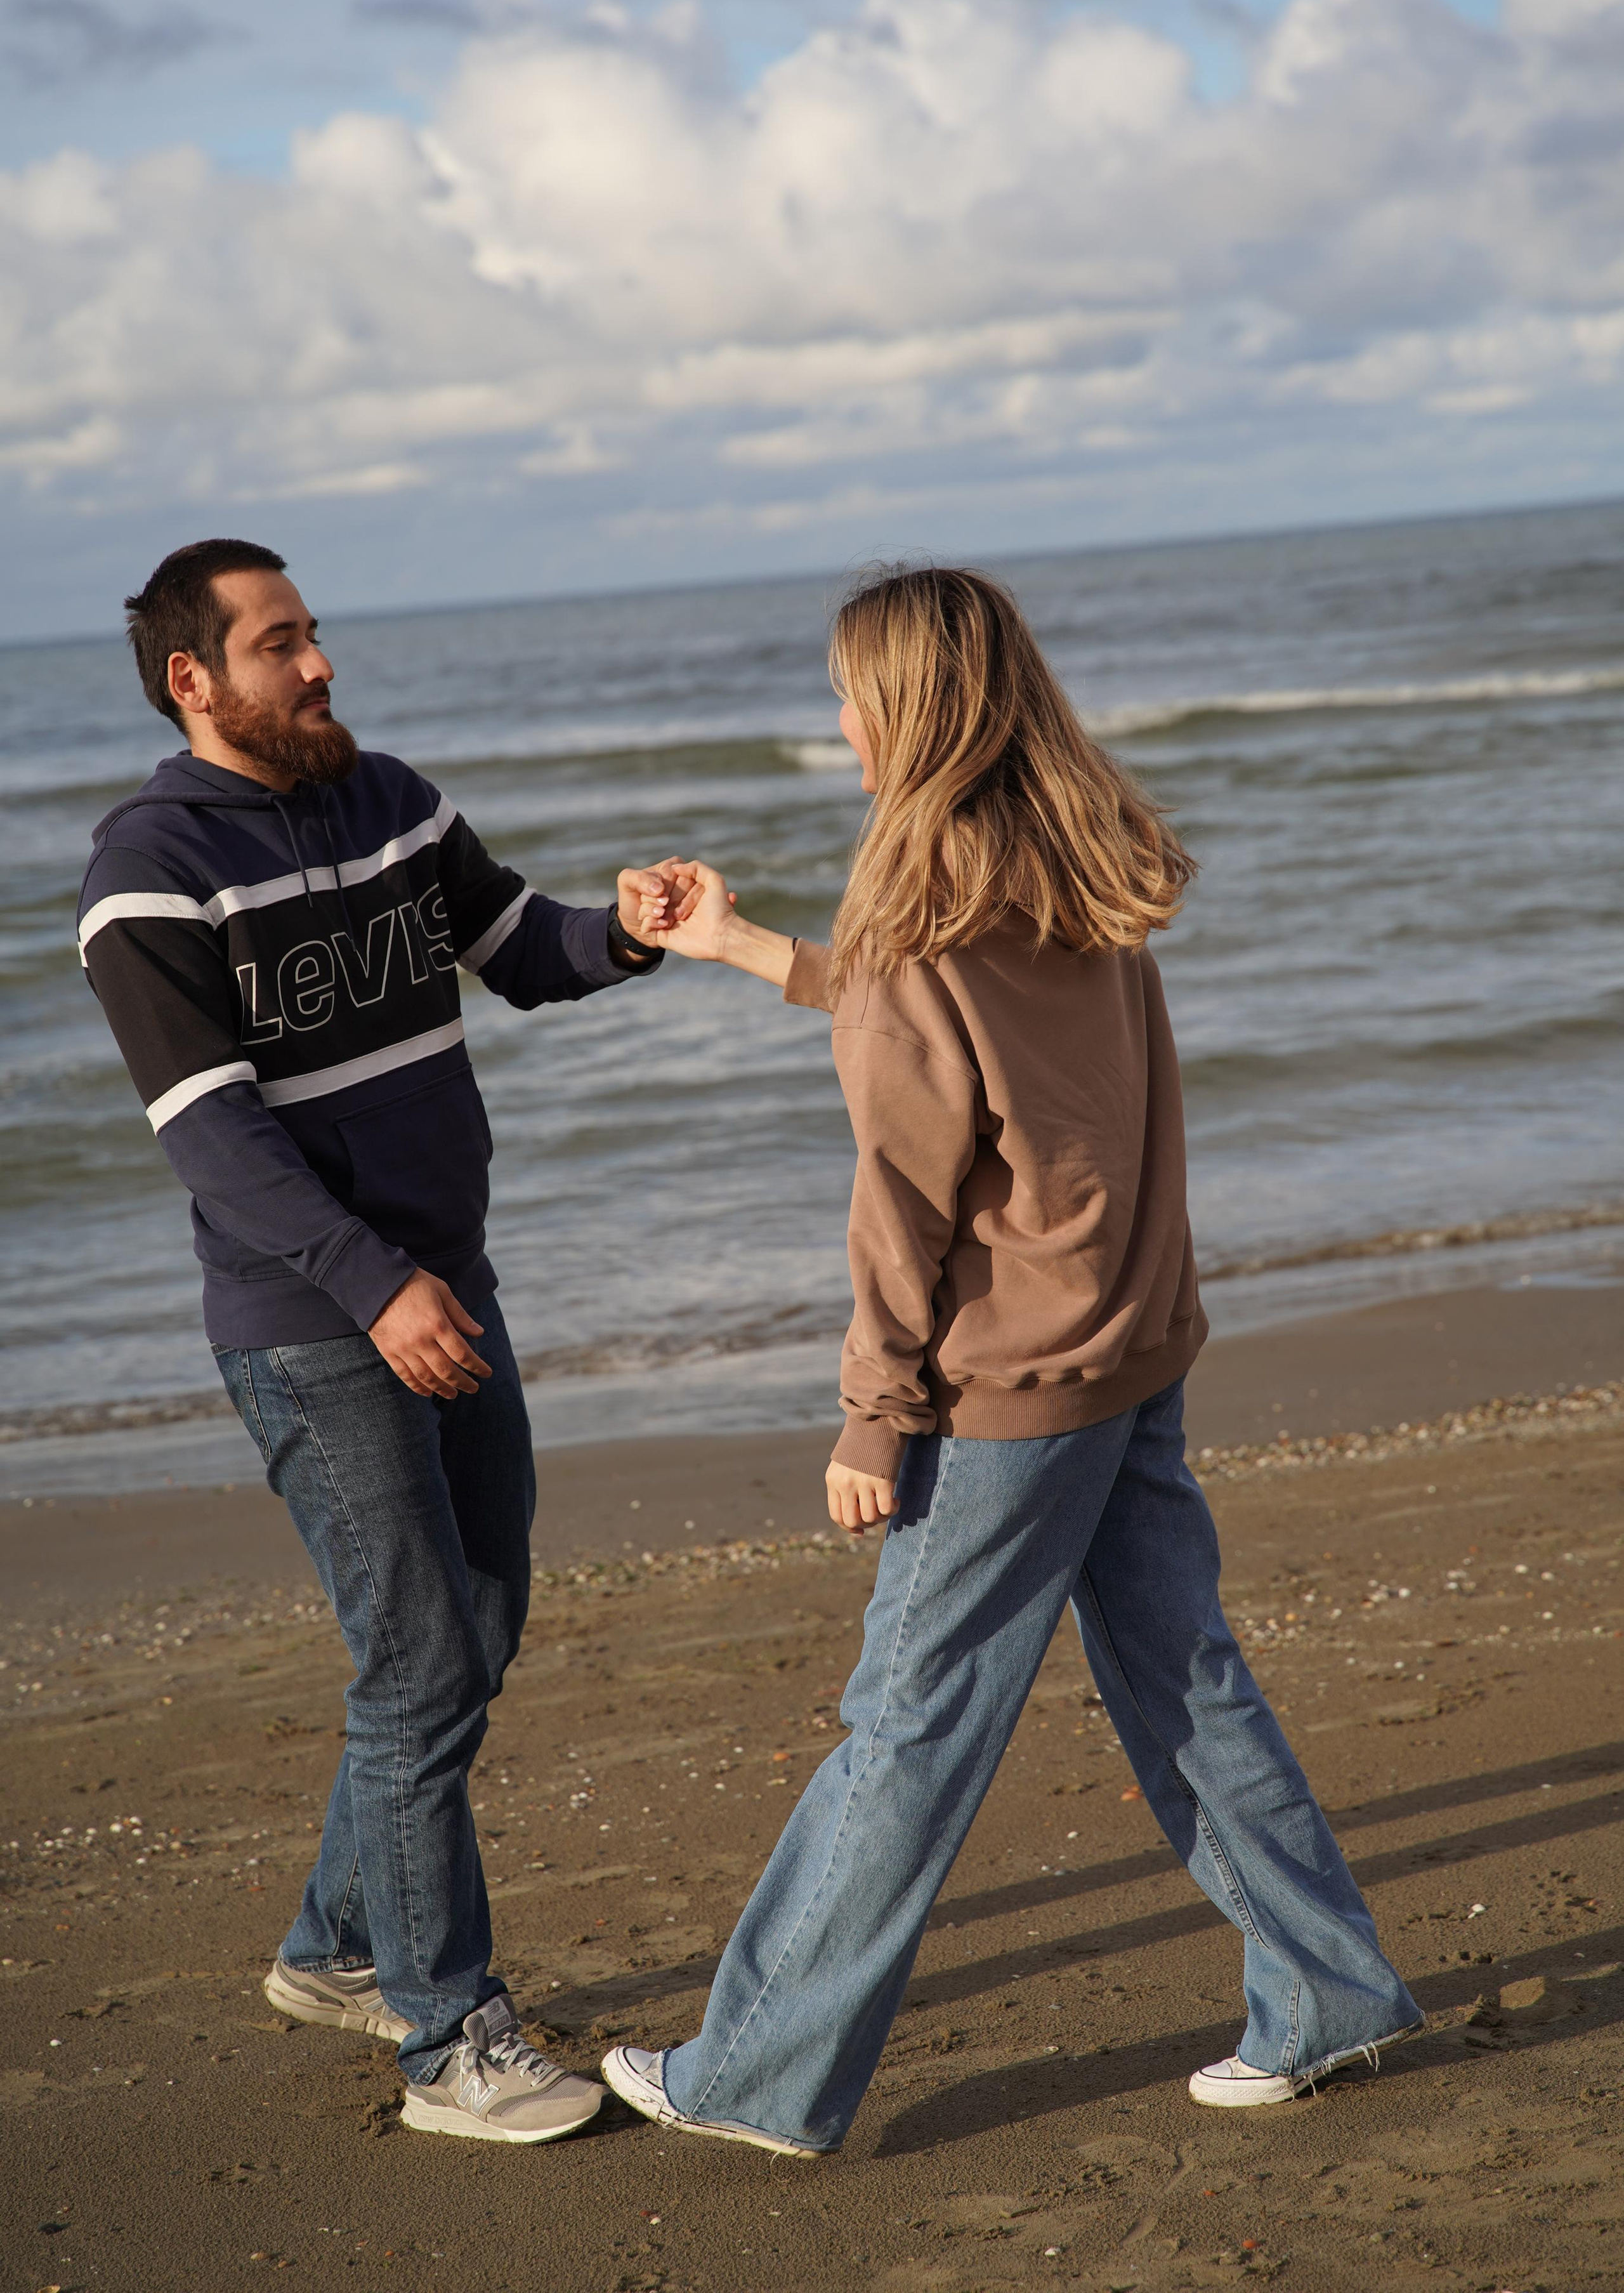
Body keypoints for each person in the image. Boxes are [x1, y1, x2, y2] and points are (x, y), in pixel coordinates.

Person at [600, 563, 1423, 2156]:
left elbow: (901, 1203)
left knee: (909, 1725)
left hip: (1006, 1398)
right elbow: (946, 1041)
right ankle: (1327, 1992)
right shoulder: (1066, 865)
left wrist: (872, 1415)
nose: (838, 727)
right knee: (1183, 1679)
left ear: (910, 712)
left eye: (850, 699)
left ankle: (756, 2074)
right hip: (1128, 1349)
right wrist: (745, 945)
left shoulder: (914, 922)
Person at [79, 537, 682, 2145]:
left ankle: (336, 1945)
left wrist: (624, 929)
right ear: (192, 678)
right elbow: (213, 1138)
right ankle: (447, 2041)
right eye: (280, 643)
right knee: (417, 1660)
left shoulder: (389, 802)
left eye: (315, 632)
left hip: (446, 1287)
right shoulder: (148, 871)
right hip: (315, 1319)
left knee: (476, 1624)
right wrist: (373, 1285)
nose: (321, 663)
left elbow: (520, 949)